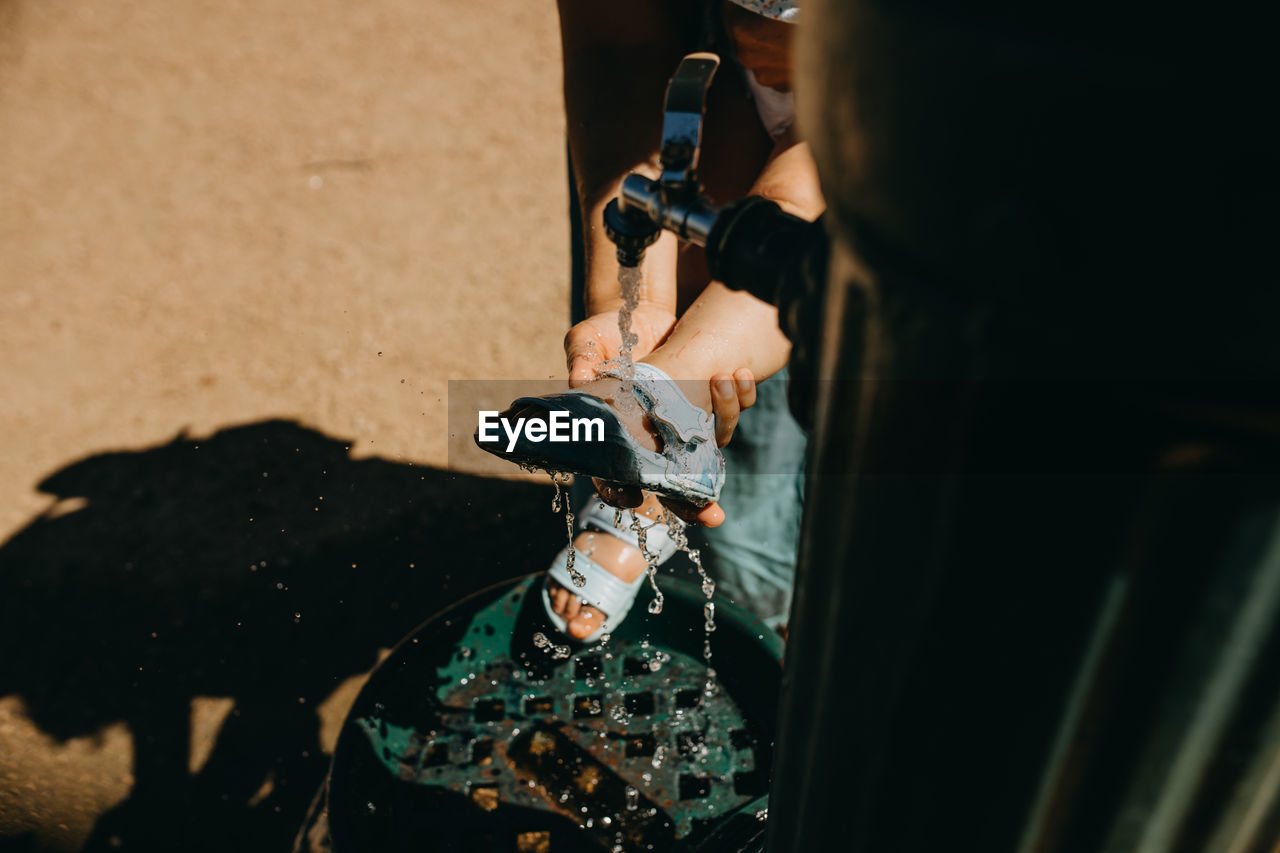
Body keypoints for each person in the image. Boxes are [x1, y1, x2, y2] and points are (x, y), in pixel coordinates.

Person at [490, 0, 823, 641]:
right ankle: (648, 448)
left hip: (885, 89)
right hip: (737, 69)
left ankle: (665, 399)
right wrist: (626, 305)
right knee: (699, 231)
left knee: (785, 232)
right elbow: (617, 54)